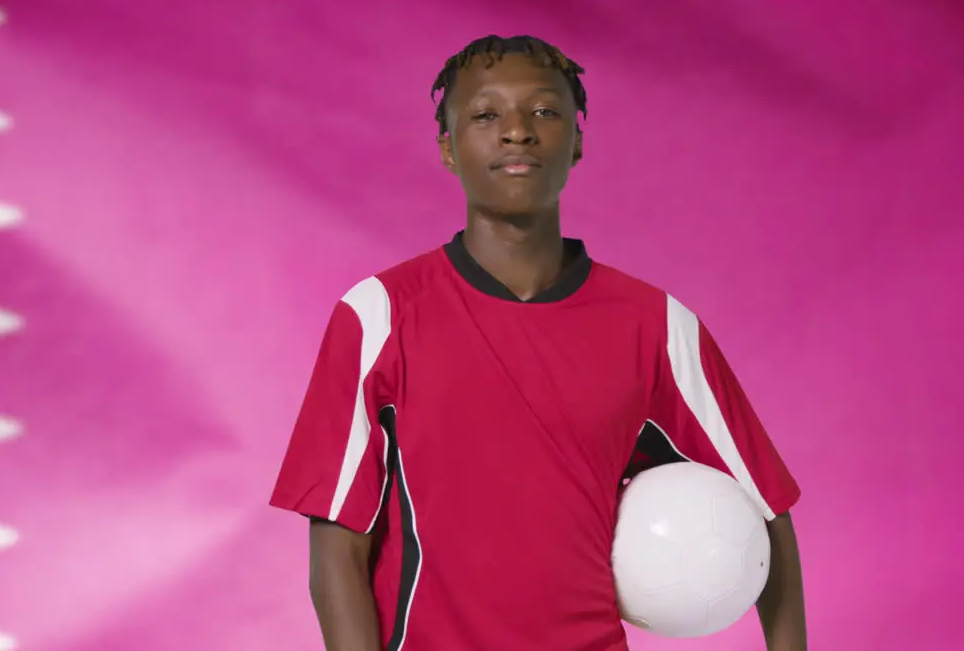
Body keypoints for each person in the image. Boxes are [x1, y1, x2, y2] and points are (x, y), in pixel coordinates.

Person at [269, 35, 807, 650]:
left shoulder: (655, 326)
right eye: (485, 114)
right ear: (448, 147)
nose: (517, 131)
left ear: (577, 142)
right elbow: (338, 545)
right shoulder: (378, 316)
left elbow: (766, 510)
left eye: (545, 112)